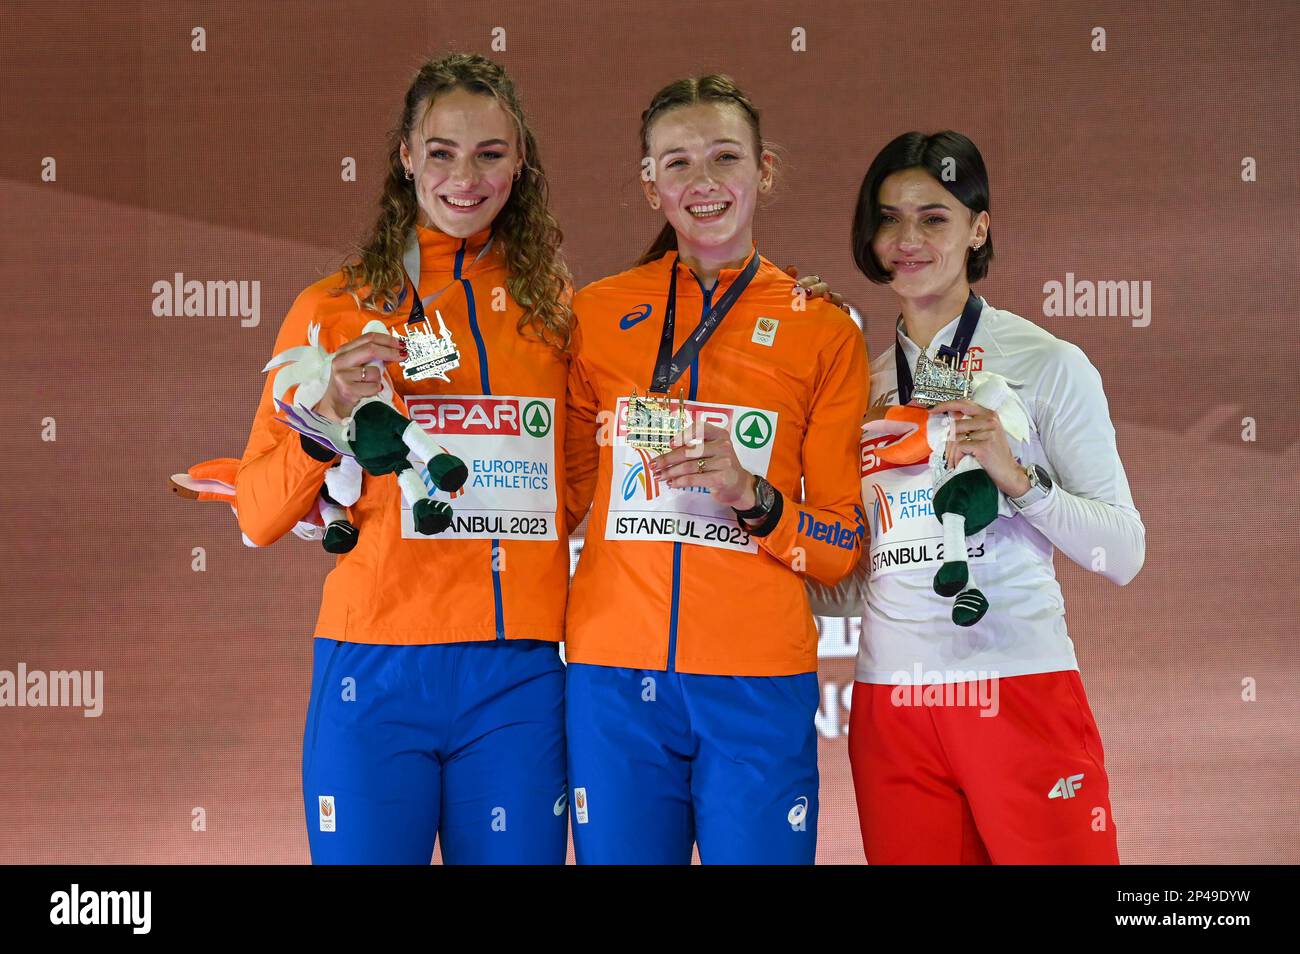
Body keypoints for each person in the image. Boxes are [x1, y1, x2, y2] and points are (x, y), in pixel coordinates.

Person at [236, 53, 574, 864]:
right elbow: (255, 515)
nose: (466, 176)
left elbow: (588, 480)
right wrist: (324, 417)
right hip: (374, 669)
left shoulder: (554, 312)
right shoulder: (332, 307)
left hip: (518, 676)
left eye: (490, 153)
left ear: (521, 159)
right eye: (441, 152)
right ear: (405, 158)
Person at [809, 130, 1145, 864]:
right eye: (889, 218)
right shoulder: (855, 386)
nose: (908, 239)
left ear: (978, 227)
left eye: (934, 217)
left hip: (1019, 686)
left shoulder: (1048, 365)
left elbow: (1120, 553)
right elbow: (856, 574)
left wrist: (1018, 479)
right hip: (892, 704)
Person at [563, 75, 870, 864]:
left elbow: (838, 549)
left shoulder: (823, 329)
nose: (703, 183)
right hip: (612, 680)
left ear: (764, 170)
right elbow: (551, 491)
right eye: (677, 164)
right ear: (648, 184)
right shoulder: (593, 314)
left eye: (725, 157)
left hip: (755, 685)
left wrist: (753, 496)